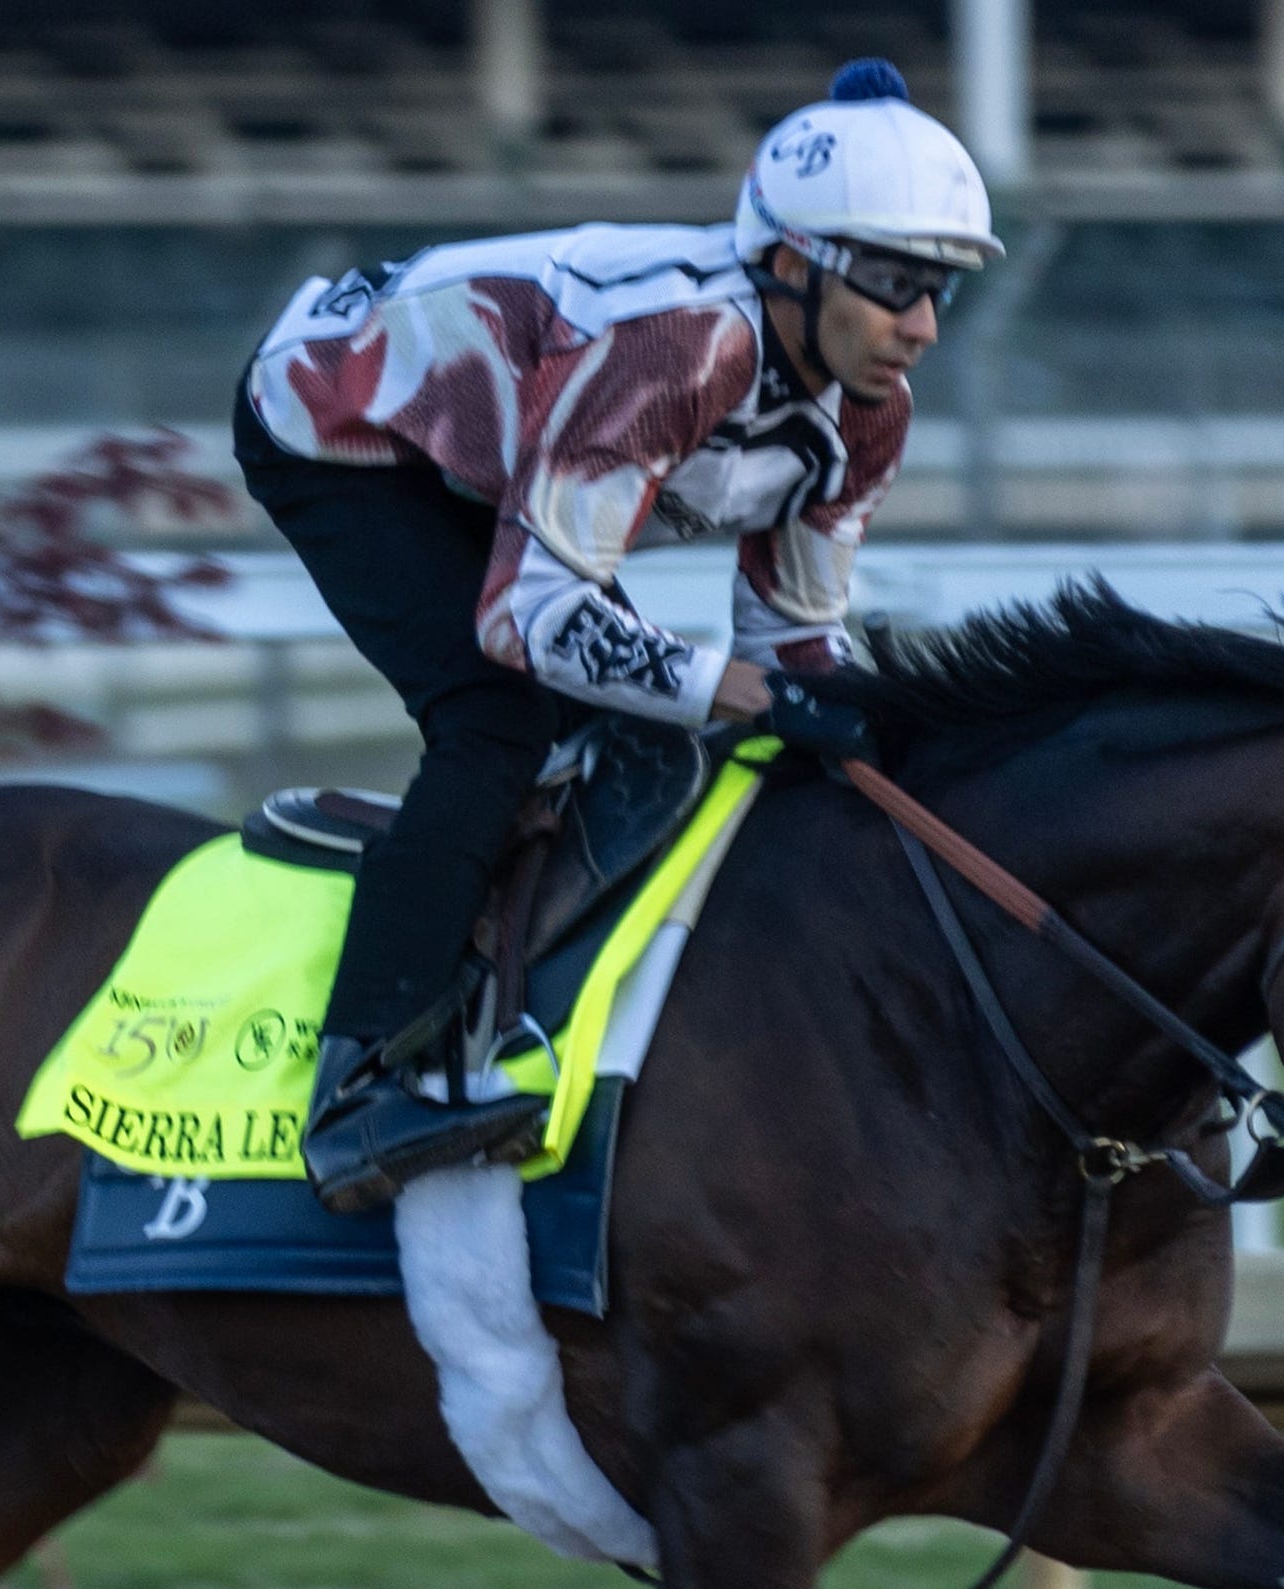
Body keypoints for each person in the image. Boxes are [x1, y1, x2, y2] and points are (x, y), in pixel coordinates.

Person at [234, 57, 1000, 1212]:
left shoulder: (870, 413)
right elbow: (525, 617)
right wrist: (739, 693)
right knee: (494, 720)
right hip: (341, 434)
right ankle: (357, 1089)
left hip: (492, 453)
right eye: (896, 284)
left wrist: (866, 726)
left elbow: (795, 639)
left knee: (670, 733)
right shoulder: (676, 348)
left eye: (941, 289)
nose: (922, 326)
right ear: (792, 264)